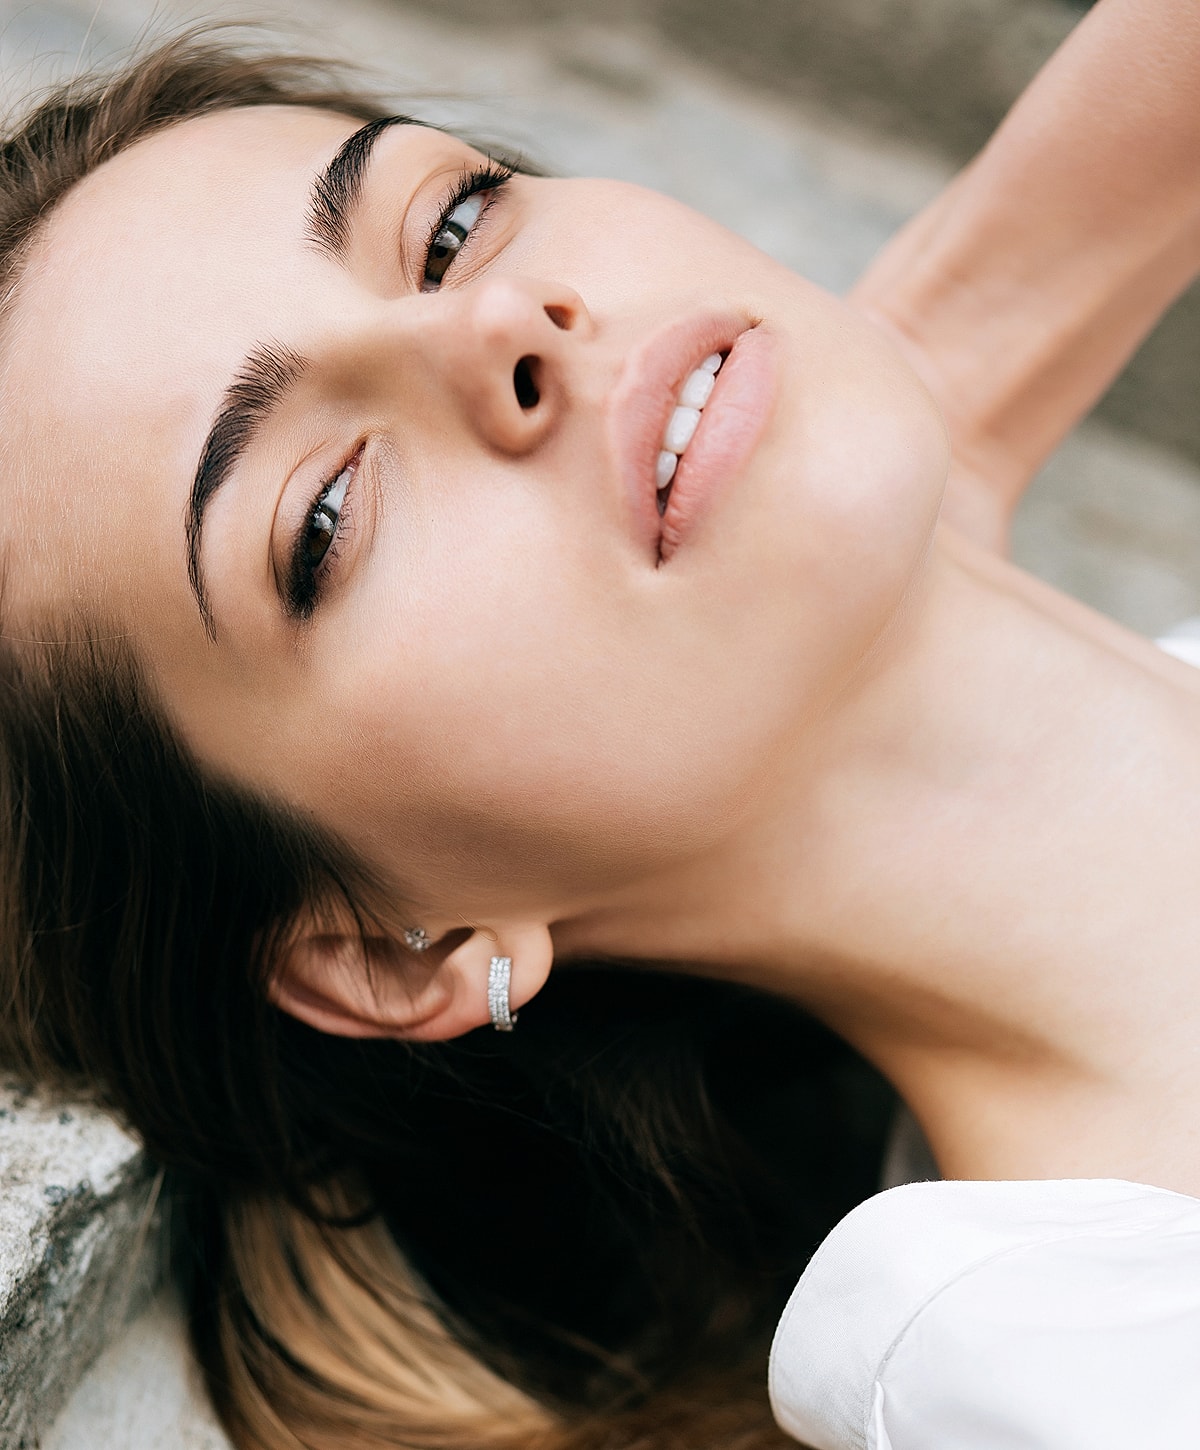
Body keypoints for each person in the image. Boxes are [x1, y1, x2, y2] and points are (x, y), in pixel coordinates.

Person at [0, 0, 1197, 1445]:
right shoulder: (1028, 1346)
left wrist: (943, 369)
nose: (504, 320)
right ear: (395, 946)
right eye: (323, 516)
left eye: (448, 227)